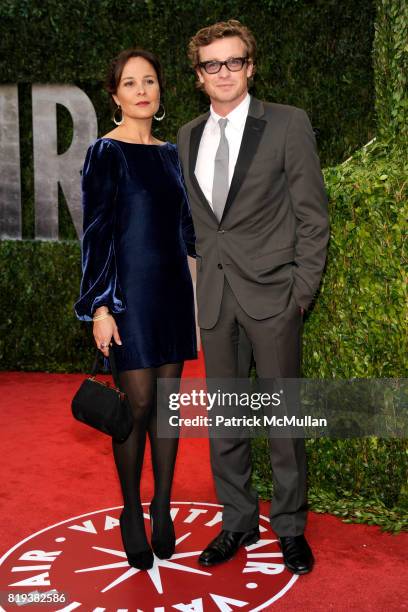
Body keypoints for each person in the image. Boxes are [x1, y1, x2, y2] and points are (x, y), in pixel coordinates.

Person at [177, 20, 329, 574]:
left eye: (234, 61)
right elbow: (200, 224)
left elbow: (313, 217)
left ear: (250, 66)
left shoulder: (287, 124)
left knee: (284, 420)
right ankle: (237, 523)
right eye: (212, 64)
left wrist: (300, 294)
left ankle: (290, 528)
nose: (224, 72)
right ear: (198, 75)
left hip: (274, 299)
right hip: (215, 298)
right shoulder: (188, 135)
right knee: (226, 421)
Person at [74, 48, 197, 571]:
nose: (143, 90)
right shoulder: (106, 153)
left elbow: (187, 231)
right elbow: (96, 235)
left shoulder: (171, 154)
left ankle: (162, 506)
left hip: (172, 294)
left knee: (167, 406)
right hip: (129, 299)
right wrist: (100, 306)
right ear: (115, 95)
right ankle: (130, 510)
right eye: (131, 82)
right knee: (138, 404)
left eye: (150, 80)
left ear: (160, 91)